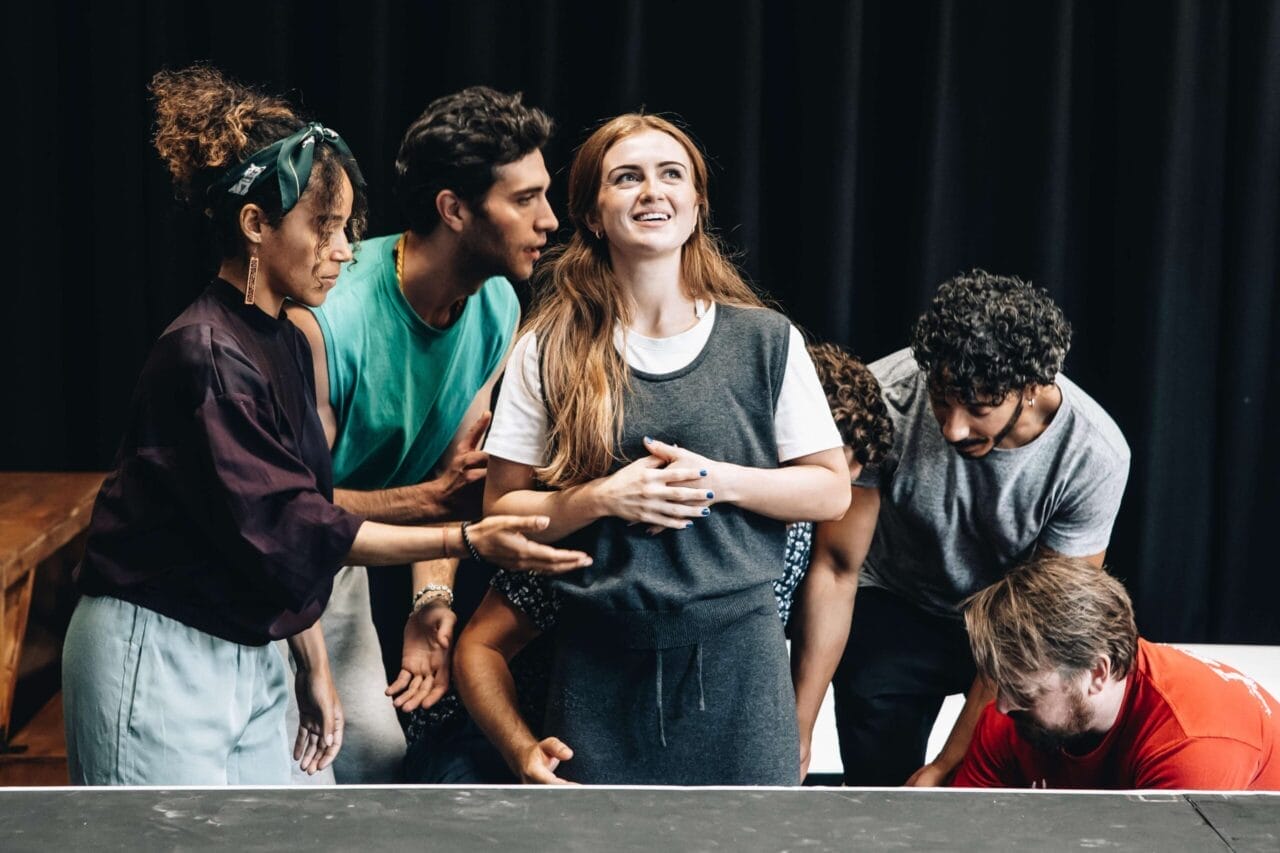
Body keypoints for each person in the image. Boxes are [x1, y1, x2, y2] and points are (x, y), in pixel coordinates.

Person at [62, 66, 590, 787]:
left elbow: (288, 540)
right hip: (163, 641)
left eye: (348, 229)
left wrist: (314, 665)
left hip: (257, 634)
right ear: (256, 225)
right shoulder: (207, 354)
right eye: (326, 227)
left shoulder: (276, 337)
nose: (344, 248)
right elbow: (297, 525)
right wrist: (462, 533)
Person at [454, 114, 851, 786]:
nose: (652, 191)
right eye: (626, 177)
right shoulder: (544, 350)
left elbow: (829, 489)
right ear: (593, 213)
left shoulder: (765, 340)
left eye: (672, 175)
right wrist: (602, 496)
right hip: (599, 671)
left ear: (696, 208)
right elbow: (503, 509)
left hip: (742, 676)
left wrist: (715, 480)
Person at [440, 342, 893, 784]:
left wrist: (798, 727)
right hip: (543, 744)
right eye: (808, 470)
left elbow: (833, 573)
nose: (817, 501)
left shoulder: (795, 533)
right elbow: (480, 648)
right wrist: (521, 750)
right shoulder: (631, 513)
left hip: (695, 750)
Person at [285, 86, 557, 783]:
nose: (549, 220)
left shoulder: (497, 302)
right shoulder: (329, 318)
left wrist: (432, 599)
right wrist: (439, 506)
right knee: (285, 788)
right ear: (454, 208)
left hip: (340, 572)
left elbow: (451, 478)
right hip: (260, 577)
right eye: (523, 199)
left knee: (376, 761)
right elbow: (289, 516)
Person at [790, 270, 1131, 785]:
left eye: (978, 408)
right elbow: (837, 569)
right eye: (941, 401)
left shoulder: (1093, 456)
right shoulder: (886, 396)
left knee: (981, 781)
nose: (953, 428)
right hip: (894, 601)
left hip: (1009, 618)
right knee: (881, 779)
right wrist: (799, 728)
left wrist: (951, 762)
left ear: (1032, 389)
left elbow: (1040, 621)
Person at [953, 553, 1280, 790]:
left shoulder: (1190, 747)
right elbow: (968, 833)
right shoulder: (1013, 721)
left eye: (1026, 693)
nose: (1002, 706)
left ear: (1097, 673)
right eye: (1002, 685)